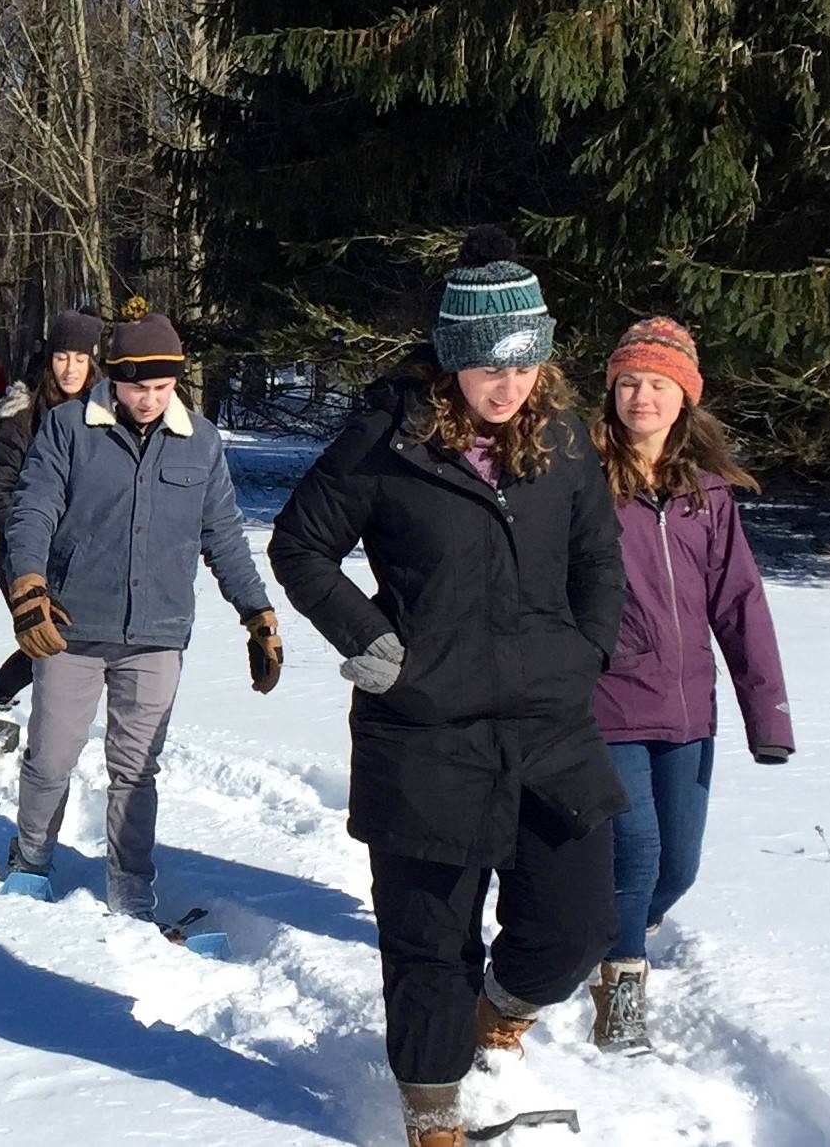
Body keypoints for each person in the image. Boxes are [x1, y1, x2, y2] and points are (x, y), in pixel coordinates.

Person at [267, 229, 626, 1147]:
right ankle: (432, 1109)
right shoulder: (385, 441)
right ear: (449, 359)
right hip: (424, 728)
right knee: (429, 941)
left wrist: (585, 648)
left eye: (522, 366)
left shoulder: (564, 442)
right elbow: (300, 546)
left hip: (549, 724)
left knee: (576, 922)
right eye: (483, 368)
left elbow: (596, 557)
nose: (504, 388)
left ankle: (500, 1006)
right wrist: (373, 641)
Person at [0, 307, 281, 920]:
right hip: (72, 628)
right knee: (52, 754)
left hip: (157, 633)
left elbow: (224, 535)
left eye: (162, 387)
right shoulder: (71, 428)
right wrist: (28, 589)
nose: (150, 400)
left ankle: (131, 886)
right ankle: (31, 856)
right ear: (114, 379)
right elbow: (33, 509)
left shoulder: (201, 441)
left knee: (136, 769)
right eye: (137, 387)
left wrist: (257, 613)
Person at [586, 317, 793, 1053]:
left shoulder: (706, 495)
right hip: (603, 699)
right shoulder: (578, 479)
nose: (641, 397)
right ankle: (619, 986)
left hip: (686, 709)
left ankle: (609, 926)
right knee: (635, 848)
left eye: (658, 385)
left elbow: (740, 605)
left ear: (684, 400)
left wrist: (765, 716)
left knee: (676, 868)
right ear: (610, 391)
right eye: (629, 382)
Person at [0, 310, 100, 712]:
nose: (71, 369)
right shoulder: (22, 417)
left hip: (82, 557)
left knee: (68, 642)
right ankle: (3, 704)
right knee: (47, 642)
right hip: (21, 555)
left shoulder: (105, 416)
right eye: (63, 357)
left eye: (81, 359)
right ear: (50, 359)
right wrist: (33, 532)